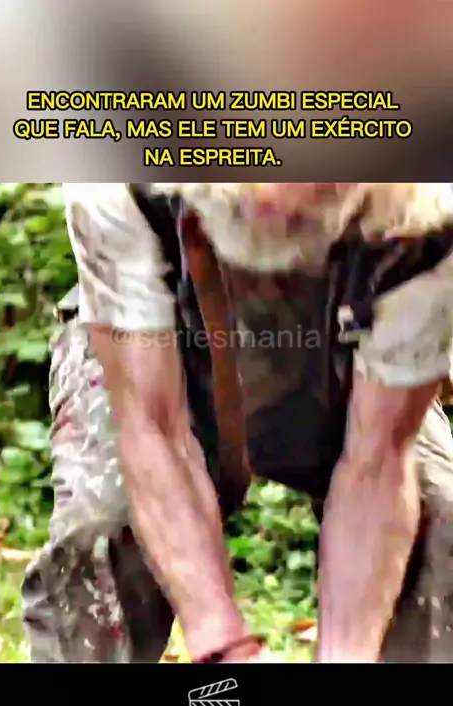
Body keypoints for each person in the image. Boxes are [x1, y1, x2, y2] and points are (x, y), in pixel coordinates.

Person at [22, 182, 453, 664]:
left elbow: (378, 459)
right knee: (101, 521)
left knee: (437, 512)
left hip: (345, 349)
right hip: (158, 334)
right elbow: (152, 426)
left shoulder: (429, 218)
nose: (271, 197)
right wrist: (224, 646)